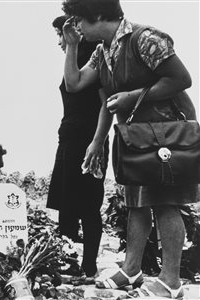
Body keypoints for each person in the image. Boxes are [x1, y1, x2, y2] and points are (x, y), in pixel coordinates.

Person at [61, 0, 198, 298]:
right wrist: (71, 45)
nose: (77, 26)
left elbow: (181, 79)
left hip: (165, 133)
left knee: (165, 203)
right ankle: (132, 268)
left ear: (97, 15)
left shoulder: (146, 39)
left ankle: (170, 281)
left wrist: (132, 97)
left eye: (78, 20)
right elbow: (74, 83)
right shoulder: (103, 51)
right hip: (135, 136)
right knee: (135, 202)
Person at [46, 15, 108, 278]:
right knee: (66, 201)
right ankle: (69, 261)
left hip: (88, 138)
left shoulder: (94, 56)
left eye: (62, 35)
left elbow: (107, 102)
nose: (60, 42)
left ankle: (88, 264)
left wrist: (98, 141)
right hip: (70, 137)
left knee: (88, 204)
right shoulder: (74, 57)